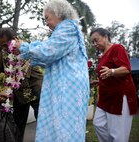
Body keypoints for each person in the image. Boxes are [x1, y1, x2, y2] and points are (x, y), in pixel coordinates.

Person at [15, 0, 90, 141]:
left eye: (47, 18)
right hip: (65, 86)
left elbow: (47, 51)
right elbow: (49, 54)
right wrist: (28, 48)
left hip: (67, 88)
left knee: (63, 127)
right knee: (59, 126)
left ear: (59, 14)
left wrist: (24, 47)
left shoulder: (67, 29)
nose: (46, 23)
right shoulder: (65, 32)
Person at [0, 28, 43, 142]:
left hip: (36, 91)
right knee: (17, 125)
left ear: (15, 39)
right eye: (1, 45)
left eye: (6, 45)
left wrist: (7, 91)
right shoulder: (4, 52)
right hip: (20, 95)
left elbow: (22, 73)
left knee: (42, 122)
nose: (4, 48)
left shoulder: (25, 48)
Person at [90, 27, 138, 142]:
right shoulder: (102, 57)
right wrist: (99, 81)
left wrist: (112, 71)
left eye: (96, 40)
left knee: (117, 133)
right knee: (98, 124)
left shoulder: (117, 48)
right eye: (93, 42)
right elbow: (107, 74)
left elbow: (126, 69)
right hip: (106, 97)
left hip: (119, 96)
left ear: (106, 36)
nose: (95, 44)